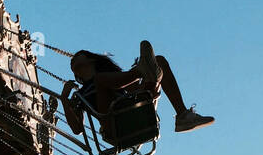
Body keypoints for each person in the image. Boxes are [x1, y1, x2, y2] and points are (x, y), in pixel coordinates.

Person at [59, 42, 215, 136]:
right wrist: (64, 99)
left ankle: (183, 116)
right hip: (114, 127)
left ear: (90, 58)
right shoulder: (81, 95)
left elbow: (138, 91)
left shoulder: (114, 77)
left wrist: (145, 83)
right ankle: (141, 70)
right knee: (101, 80)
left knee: (158, 61)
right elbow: (77, 129)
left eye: (76, 56)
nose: (72, 61)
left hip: (135, 114)